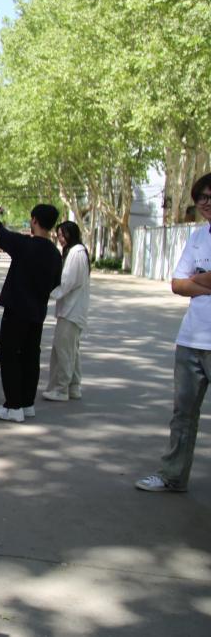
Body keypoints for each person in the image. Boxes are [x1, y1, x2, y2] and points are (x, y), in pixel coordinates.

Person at [135, 173, 211, 493]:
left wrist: (197, 278)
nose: (205, 203)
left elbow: (189, 281)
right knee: (183, 415)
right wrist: (203, 279)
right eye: (201, 198)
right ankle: (172, 476)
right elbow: (177, 284)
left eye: (210, 197)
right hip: (190, 339)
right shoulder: (198, 237)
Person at [0, 205, 62, 422]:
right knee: (30, 355)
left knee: (9, 354)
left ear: (34, 220)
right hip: (37, 311)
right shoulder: (55, 254)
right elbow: (55, 283)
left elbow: (0, 231)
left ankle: (13, 406)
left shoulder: (23, 244)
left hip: (16, 309)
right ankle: (27, 403)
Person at [42, 221, 91, 402]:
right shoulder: (78, 252)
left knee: (62, 351)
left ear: (72, 234)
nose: (61, 239)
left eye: (63, 235)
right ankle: (74, 387)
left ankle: (60, 389)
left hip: (71, 311)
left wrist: (48, 293)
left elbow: (67, 282)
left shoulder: (76, 253)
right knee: (71, 351)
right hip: (73, 310)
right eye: (59, 235)